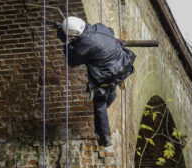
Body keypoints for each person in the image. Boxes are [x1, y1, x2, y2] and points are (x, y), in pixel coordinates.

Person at [55, 16, 136, 147]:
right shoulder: (99, 27)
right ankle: (110, 97)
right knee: (110, 88)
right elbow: (109, 32)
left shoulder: (86, 45)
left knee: (100, 102)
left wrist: (65, 43)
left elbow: (72, 60)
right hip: (123, 65)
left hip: (108, 74)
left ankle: (104, 136)